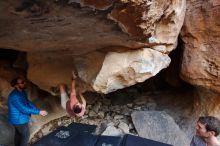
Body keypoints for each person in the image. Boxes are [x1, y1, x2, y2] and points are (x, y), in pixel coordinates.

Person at [7, 77, 48, 146]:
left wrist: (37, 110)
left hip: (18, 119)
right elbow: (23, 108)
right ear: (16, 85)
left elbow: (27, 102)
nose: (25, 83)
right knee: (25, 136)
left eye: (24, 81)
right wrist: (39, 112)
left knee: (19, 135)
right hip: (19, 120)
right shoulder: (14, 96)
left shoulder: (22, 92)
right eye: (22, 82)